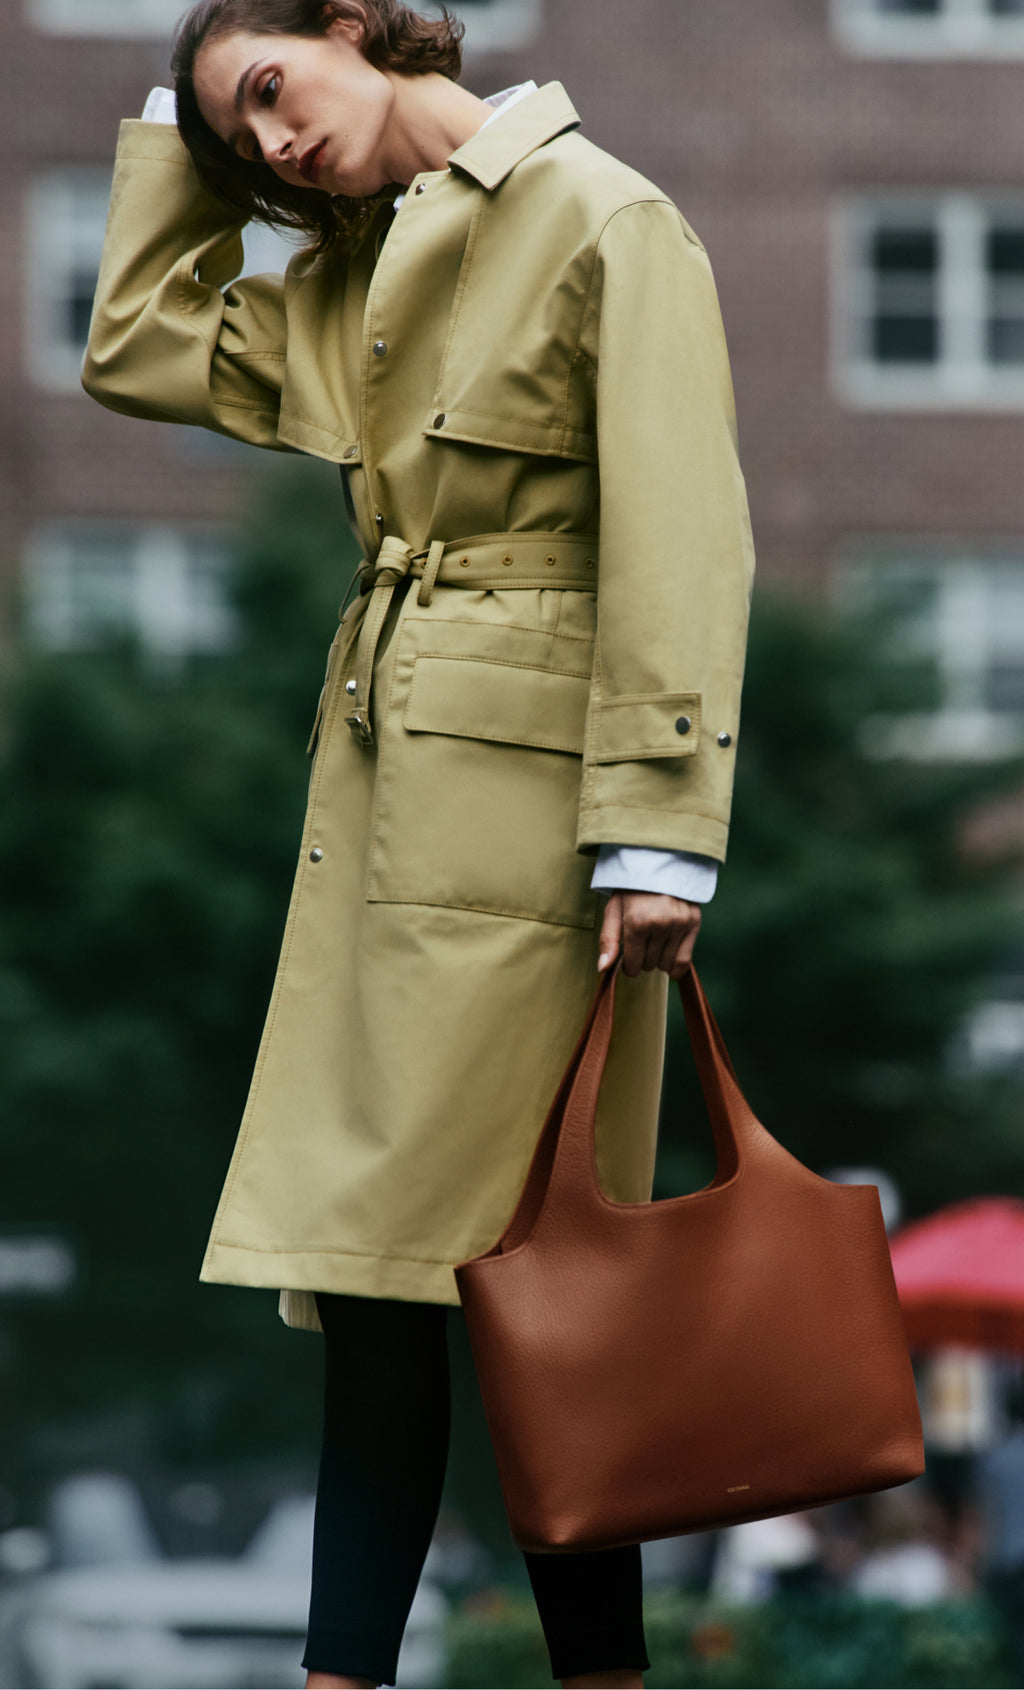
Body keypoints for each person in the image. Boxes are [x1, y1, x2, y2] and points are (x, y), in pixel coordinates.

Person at [82, 3, 756, 1684]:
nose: (276, 146)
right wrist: (177, 128)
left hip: (548, 844)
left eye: (271, 93)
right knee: (373, 1275)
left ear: (355, 25)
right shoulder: (355, 282)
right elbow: (137, 344)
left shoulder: (607, 217)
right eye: (243, 141)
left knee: (542, 1291)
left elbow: (687, 535)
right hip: (381, 802)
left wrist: (660, 838)